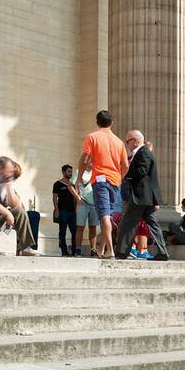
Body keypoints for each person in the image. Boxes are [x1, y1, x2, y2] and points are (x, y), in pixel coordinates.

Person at [76, 110, 129, 259]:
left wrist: (79, 177)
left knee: (104, 215)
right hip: (114, 182)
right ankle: (101, 250)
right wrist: (119, 178)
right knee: (109, 215)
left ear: (97, 122)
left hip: (100, 180)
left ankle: (110, 250)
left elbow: (84, 160)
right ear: (112, 123)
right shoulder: (119, 142)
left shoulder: (92, 137)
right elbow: (125, 166)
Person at [115, 130, 169, 261]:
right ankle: (163, 252)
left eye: (127, 141)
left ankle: (122, 252)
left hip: (141, 196)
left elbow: (142, 171)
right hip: (145, 196)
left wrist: (126, 174)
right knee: (152, 224)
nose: (127, 144)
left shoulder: (143, 152)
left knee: (127, 222)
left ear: (135, 140)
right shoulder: (142, 152)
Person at [71, 165, 99, 257]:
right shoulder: (79, 171)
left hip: (95, 204)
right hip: (83, 203)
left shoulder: (98, 171)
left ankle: (93, 249)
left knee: (93, 227)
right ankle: (78, 249)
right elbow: (70, 185)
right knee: (80, 227)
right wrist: (77, 198)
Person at [53, 164, 80, 257]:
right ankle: (64, 251)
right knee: (62, 231)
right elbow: (54, 198)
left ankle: (73, 251)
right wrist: (56, 210)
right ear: (63, 172)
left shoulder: (72, 185)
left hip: (72, 212)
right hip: (62, 211)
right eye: (68, 172)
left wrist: (76, 210)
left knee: (74, 232)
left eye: (71, 172)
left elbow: (76, 198)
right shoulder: (57, 184)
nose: (70, 173)